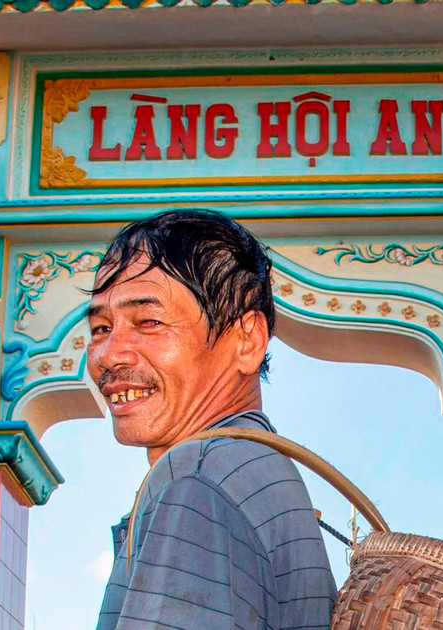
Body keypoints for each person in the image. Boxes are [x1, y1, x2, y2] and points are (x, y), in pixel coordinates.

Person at [86, 209, 336, 630]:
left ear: (246, 340)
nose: (108, 354)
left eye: (148, 322)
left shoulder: (199, 475)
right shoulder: (251, 467)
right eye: (99, 328)